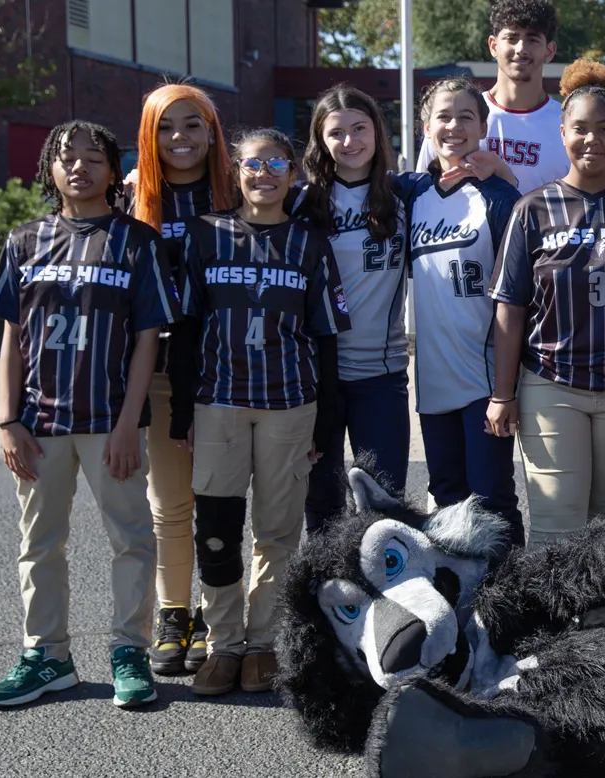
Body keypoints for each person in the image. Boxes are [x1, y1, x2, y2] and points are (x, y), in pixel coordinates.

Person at [0, 121, 177, 709]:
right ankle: (48, 655)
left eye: (94, 158)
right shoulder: (23, 242)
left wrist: (127, 422)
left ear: (113, 172)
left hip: (107, 422)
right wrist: (7, 420)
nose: (80, 168)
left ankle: (129, 651)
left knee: (132, 539)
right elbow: (13, 339)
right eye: (67, 159)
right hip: (39, 425)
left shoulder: (137, 242)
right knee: (39, 542)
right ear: (50, 170)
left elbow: (148, 340)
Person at [170, 128, 350, 697]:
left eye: (277, 164)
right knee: (217, 534)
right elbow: (187, 328)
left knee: (277, 533)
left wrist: (325, 421)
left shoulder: (310, 243)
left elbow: (326, 339)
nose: (264, 174)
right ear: (235, 171)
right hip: (218, 405)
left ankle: (264, 643)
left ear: (293, 175)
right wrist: (181, 411)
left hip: (289, 408)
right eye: (253, 164)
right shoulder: (205, 235)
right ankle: (223, 644)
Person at [488, 60, 605, 564]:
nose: (592, 140)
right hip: (551, 383)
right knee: (557, 527)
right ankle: (552, 637)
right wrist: (503, 393)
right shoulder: (532, 210)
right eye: (579, 129)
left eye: (604, 130)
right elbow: (510, 308)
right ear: (562, 134)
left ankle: (597, 637)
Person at [127, 82, 237, 677]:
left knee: (220, 500)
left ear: (212, 130)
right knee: (171, 504)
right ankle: (175, 614)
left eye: (193, 125)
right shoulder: (135, 203)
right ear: (149, 135)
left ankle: (214, 609)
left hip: (231, 373)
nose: (180, 139)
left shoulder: (237, 193)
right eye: (167, 127)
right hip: (163, 373)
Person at [408, 77, 526, 550]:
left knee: (493, 497)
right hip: (433, 378)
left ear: (483, 126)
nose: (453, 126)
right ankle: (459, 608)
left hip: (484, 379)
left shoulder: (500, 198)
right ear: (425, 126)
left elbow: (516, 298)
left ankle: (514, 607)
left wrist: (505, 388)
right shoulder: (407, 194)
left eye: (465, 116)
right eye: (443, 116)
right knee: (447, 498)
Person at [296, 85, 412, 535]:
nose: (349, 142)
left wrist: (496, 164)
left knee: (383, 503)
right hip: (316, 377)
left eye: (359, 128)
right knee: (321, 502)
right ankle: (326, 601)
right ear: (320, 141)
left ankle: (386, 601)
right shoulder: (299, 203)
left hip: (380, 377)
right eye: (336, 132)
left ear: (377, 132)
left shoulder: (407, 194)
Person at [414, 0, 569, 194]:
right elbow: (422, 196)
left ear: (549, 51)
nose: (521, 48)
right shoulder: (453, 118)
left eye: (532, 39)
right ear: (493, 46)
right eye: (511, 38)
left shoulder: (568, 125)